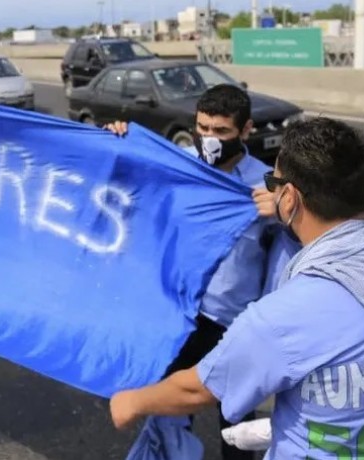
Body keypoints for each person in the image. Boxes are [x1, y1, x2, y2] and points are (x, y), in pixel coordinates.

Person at [109, 117, 364, 458]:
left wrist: (132, 401)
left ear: (289, 198)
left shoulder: (284, 317)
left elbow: (198, 390)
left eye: (274, 185)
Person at [105, 84, 301, 460]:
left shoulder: (266, 185)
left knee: (236, 421)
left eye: (222, 131)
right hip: (178, 315)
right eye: (203, 128)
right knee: (171, 412)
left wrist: (281, 213)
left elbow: (304, 240)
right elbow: (130, 174)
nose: (209, 139)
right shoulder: (178, 163)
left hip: (232, 324)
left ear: (245, 131)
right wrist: (119, 138)